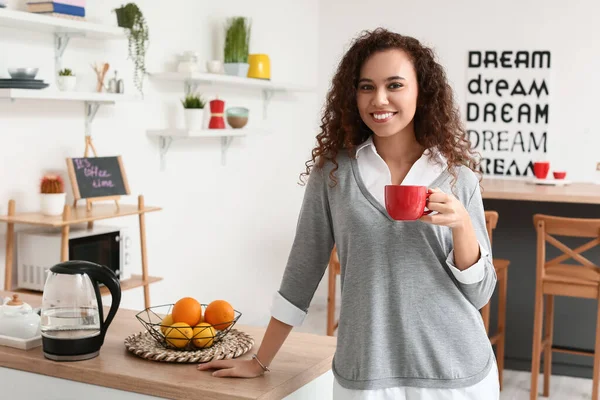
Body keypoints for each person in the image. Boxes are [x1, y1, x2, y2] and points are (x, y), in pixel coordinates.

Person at [198, 27, 499, 400]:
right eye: (367, 86)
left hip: (458, 376)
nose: (380, 99)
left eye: (395, 85)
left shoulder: (459, 179)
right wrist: (260, 361)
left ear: (421, 91)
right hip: (367, 376)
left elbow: (481, 293)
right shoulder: (334, 174)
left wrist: (463, 225)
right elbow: (302, 271)